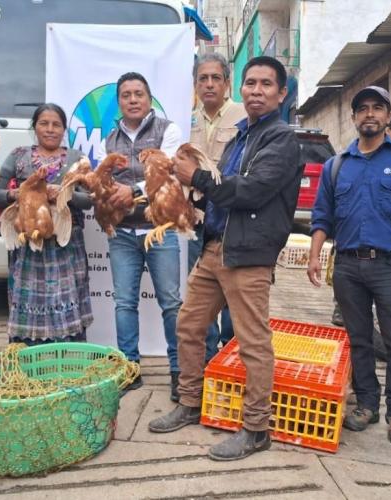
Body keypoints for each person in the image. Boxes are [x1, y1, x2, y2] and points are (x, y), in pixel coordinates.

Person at [148, 56, 302, 461]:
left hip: (248, 256)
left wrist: (195, 177)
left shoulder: (282, 140)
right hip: (215, 247)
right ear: (242, 89)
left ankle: (256, 428)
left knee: (252, 342)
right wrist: (187, 197)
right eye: (251, 83)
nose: (256, 91)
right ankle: (189, 401)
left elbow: (251, 191)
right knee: (189, 325)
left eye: (266, 84)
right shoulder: (239, 139)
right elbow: (217, 191)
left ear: (281, 94)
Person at [308, 86, 391, 447]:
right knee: (359, 340)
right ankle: (366, 404)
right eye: (362, 108)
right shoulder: (337, 166)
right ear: (353, 117)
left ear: (388, 116)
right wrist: (315, 255)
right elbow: (322, 215)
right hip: (348, 267)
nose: (369, 114)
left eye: (377, 108)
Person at [94, 72, 183, 395]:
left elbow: (170, 172)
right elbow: (104, 181)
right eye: (126, 95)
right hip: (122, 233)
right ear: (119, 101)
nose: (132, 100)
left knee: (171, 303)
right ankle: (129, 370)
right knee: (124, 303)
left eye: (138, 94)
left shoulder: (168, 130)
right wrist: (108, 193)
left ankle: (179, 372)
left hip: (160, 229)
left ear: (148, 98)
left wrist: (132, 190)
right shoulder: (109, 140)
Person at [0, 104, 93, 344]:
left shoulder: (77, 159)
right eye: (44, 123)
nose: (50, 129)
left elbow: (89, 200)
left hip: (65, 242)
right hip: (28, 243)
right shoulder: (18, 155)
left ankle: (68, 357)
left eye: (56, 125)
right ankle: (29, 356)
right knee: (28, 300)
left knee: (66, 300)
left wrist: (64, 195)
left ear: (64, 130)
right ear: (34, 127)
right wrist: (19, 194)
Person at [189, 52, 245, 360]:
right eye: (203, 79)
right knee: (202, 297)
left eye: (215, 78)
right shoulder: (188, 120)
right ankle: (208, 360)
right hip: (196, 220)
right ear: (195, 84)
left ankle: (231, 360)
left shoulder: (243, 116)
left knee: (233, 299)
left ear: (226, 83)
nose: (209, 84)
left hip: (231, 221)